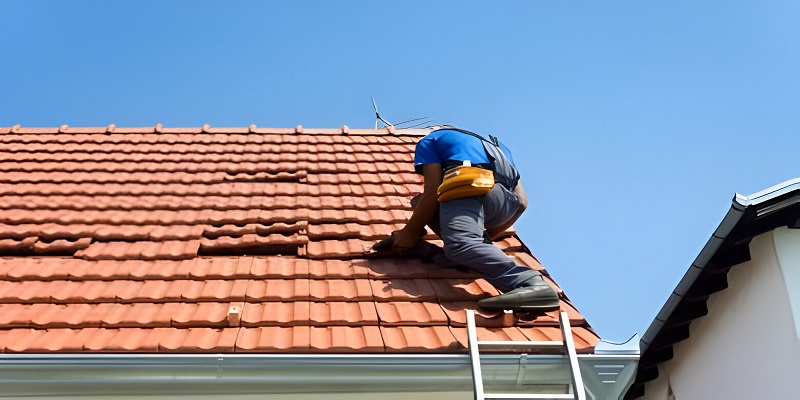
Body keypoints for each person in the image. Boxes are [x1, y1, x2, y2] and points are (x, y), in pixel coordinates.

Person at [389, 127, 559, 311]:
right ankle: (470, 253)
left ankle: (531, 284)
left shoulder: (429, 141)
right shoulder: (493, 147)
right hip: (506, 205)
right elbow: (522, 202)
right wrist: (483, 241)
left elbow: (431, 193)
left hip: (471, 185)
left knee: (459, 244)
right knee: (419, 202)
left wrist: (408, 234)